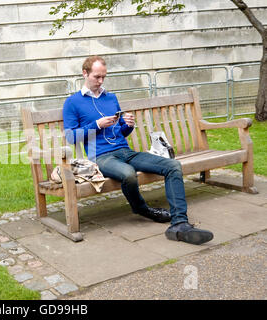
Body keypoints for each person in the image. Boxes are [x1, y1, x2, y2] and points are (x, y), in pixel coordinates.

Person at [63, 55, 214, 245]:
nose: (101, 81)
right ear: (84, 73)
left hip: (126, 152)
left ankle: (179, 224)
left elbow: (120, 133)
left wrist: (128, 125)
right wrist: (97, 124)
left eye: (103, 77)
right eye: (96, 77)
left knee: (173, 165)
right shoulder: (73, 102)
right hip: (100, 157)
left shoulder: (110, 98)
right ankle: (142, 209)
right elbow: (70, 136)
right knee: (128, 174)